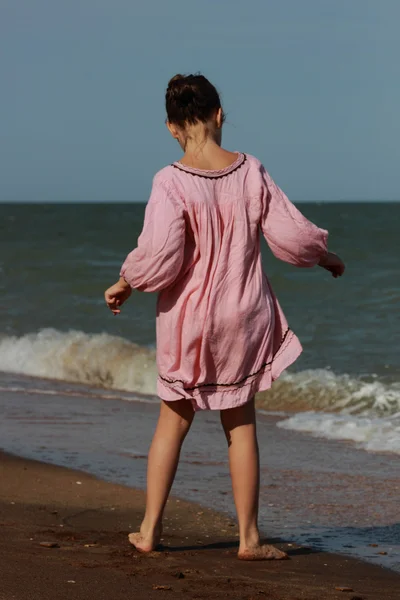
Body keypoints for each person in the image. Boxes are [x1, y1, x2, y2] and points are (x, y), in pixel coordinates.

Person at [104, 74, 345, 561]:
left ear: (171, 127)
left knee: (172, 422)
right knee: (241, 427)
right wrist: (325, 257)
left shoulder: (169, 180)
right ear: (219, 115)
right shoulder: (251, 170)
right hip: (243, 314)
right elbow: (290, 236)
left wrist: (127, 281)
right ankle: (249, 538)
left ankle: (150, 530)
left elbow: (160, 254)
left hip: (188, 321)